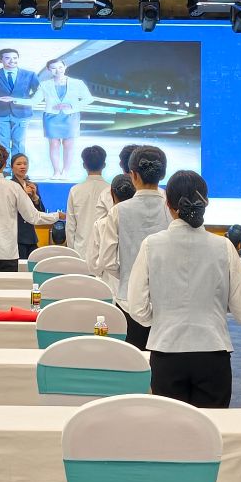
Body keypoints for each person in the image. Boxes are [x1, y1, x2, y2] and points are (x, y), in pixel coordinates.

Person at [123, 170, 241, 407]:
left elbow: (136, 306)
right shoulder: (224, 247)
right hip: (213, 354)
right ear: (206, 202)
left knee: (170, 426)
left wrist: (161, 321)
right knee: (211, 426)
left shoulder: (151, 245)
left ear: (168, 204)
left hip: (166, 352)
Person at [92, 146, 171, 350]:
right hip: (167, 299)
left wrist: (130, 274)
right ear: (162, 174)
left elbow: (108, 261)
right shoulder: (171, 208)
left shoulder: (118, 211)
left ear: (133, 174)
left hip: (128, 299)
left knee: (132, 358)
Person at [0, 146, 61, 273]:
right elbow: (33, 216)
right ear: (5, 164)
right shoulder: (14, 187)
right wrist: (57, 215)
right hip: (6, 252)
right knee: (8, 286)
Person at [25, 58, 95, 179]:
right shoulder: (45, 84)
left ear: (65, 67)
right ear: (48, 70)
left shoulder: (77, 83)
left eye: (60, 67)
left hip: (71, 116)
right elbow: (34, 101)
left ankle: (66, 172)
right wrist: (13, 100)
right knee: (54, 144)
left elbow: (89, 99)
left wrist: (71, 105)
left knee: (68, 144)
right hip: (51, 117)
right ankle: (56, 172)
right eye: (53, 68)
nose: (58, 70)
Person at [65, 146, 111, 260]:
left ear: (84, 165)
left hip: (80, 251)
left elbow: (70, 226)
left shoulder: (75, 190)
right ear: (104, 165)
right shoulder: (111, 190)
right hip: (105, 252)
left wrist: (72, 252)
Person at [10, 152, 48, 261]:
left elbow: (40, 212)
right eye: (19, 164)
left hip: (31, 235)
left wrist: (35, 197)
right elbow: (8, 208)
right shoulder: (9, 185)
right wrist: (23, 195)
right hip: (15, 235)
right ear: (12, 167)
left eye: (25, 164)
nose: (23, 166)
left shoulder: (32, 185)